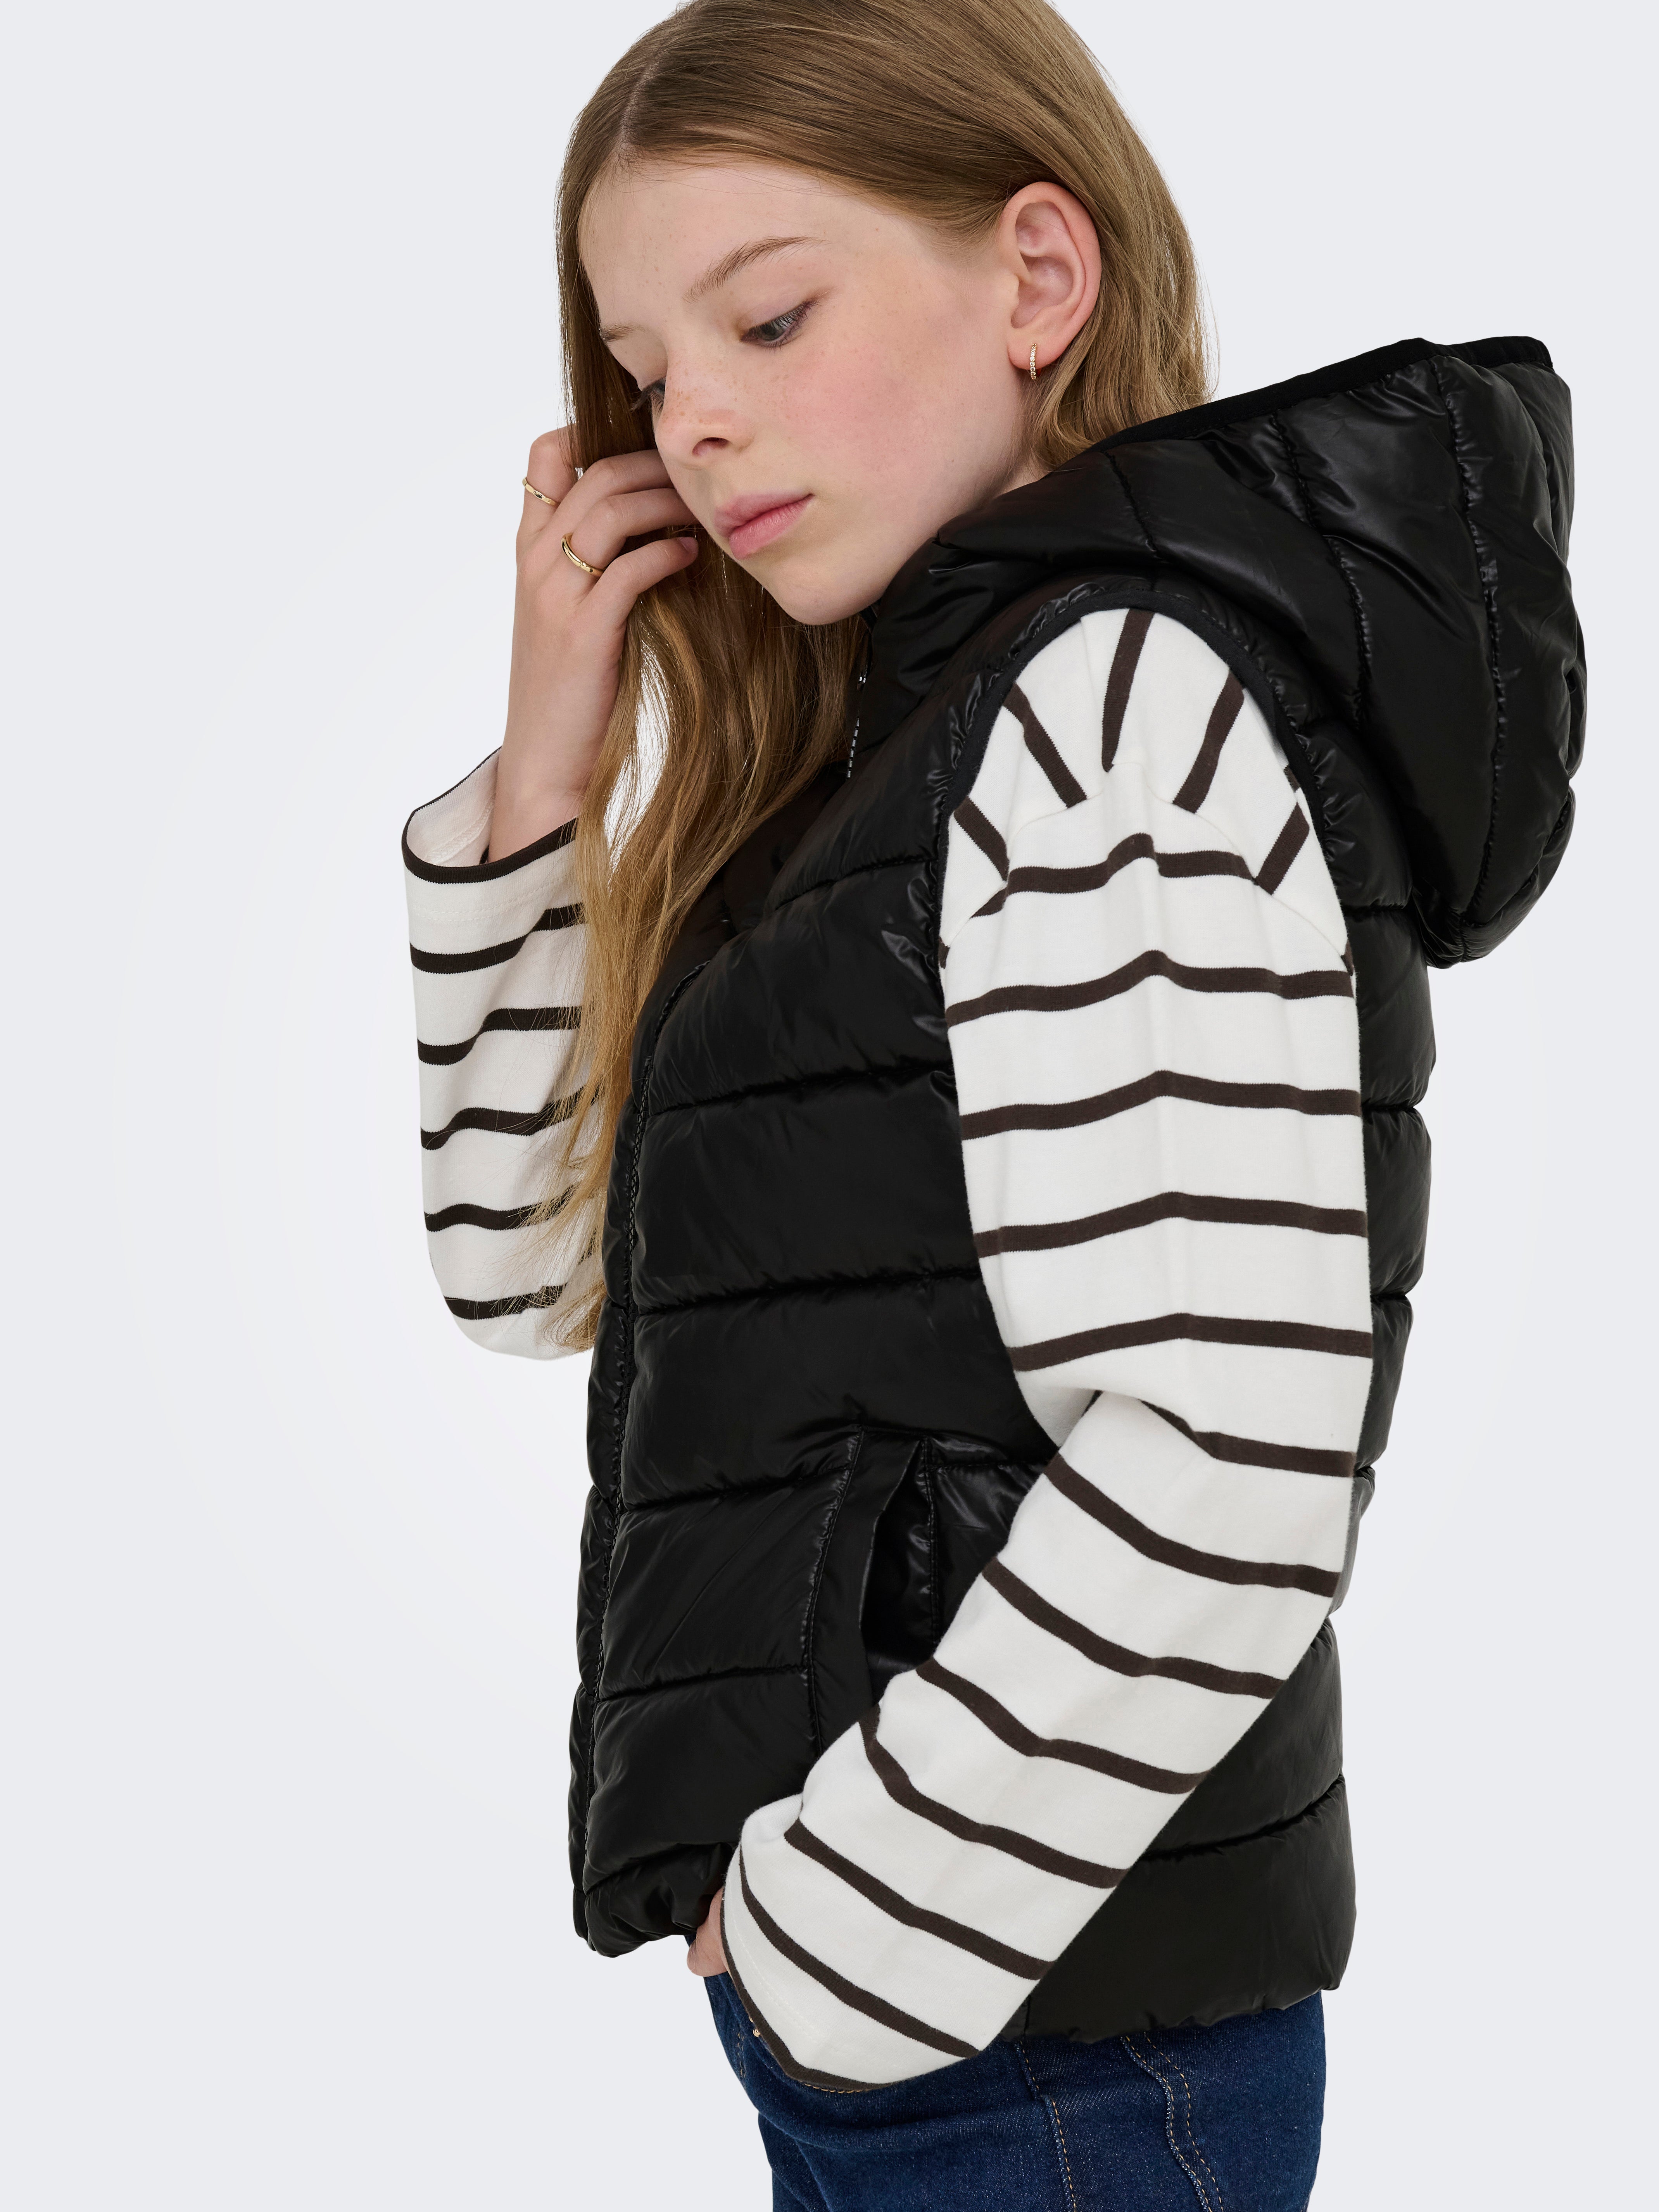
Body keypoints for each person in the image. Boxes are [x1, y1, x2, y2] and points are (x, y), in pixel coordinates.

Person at [399, 2, 1583, 2203]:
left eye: (769, 315)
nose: (696, 418)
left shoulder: (1110, 719)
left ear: (1039, 276)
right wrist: (545, 784)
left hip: (1024, 2035)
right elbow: (534, 1269)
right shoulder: (897, 757)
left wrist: (840, 1931)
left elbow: (1226, 1463)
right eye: (646, 371)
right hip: (969, 2009)